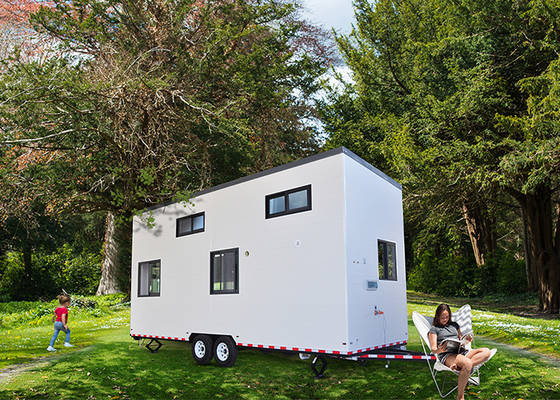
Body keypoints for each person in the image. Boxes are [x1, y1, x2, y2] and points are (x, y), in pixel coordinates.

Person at [428, 304, 492, 400]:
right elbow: (433, 349)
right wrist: (439, 349)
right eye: (442, 317)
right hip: (447, 354)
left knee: (486, 351)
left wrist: (466, 340)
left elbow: (461, 339)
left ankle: (460, 367)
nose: (445, 319)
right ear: (437, 316)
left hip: (460, 351)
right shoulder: (434, 329)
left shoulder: (454, 325)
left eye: (447, 317)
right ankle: (460, 396)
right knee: (467, 363)